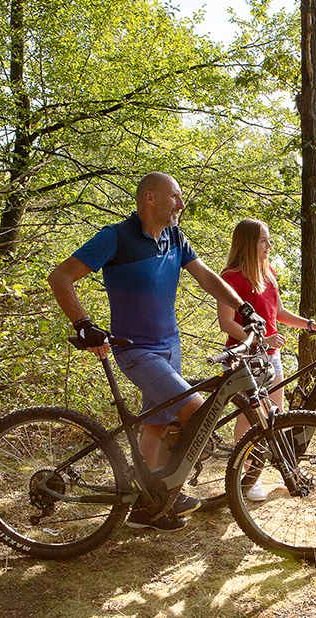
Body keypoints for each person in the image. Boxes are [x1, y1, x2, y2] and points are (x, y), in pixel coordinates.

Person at [48, 172, 264, 532]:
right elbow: (60, 277)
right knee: (197, 412)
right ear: (150, 198)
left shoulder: (175, 237)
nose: (181, 204)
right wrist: (83, 324)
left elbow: (206, 277)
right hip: (136, 351)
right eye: (175, 196)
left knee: (156, 424)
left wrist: (243, 307)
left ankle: (146, 509)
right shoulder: (116, 237)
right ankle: (168, 489)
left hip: (170, 345)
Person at [217, 218, 316, 501]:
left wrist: (309, 325)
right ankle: (247, 478)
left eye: (268, 240)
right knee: (250, 420)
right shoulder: (230, 278)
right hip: (245, 359)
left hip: (271, 357)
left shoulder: (269, 273)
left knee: (277, 418)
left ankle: (286, 472)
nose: (269, 246)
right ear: (248, 243)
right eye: (263, 240)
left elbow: (279, 314)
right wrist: (261, 340)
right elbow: (226, 322)